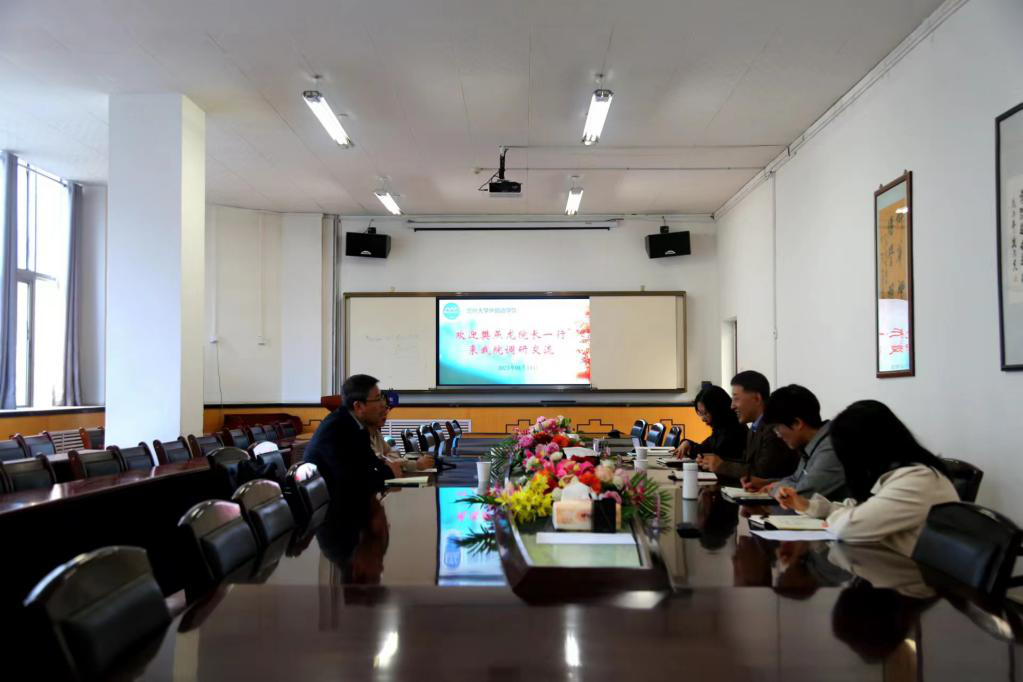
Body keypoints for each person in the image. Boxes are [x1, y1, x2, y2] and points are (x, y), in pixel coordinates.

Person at [775, 400, 959, 556]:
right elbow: (859, 509)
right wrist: (807, 506)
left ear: (866, 448)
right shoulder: (897, 475)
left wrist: (834, 519)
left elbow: (848, 527)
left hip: (917, 579)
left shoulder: (916, 480)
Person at [303, 374, 403, 504]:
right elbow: (353, 482)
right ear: (358, 406)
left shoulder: (357, 425)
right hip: (333, 509)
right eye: (378, 399)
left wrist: (387, 468)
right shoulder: (337, 429)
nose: (383, 405)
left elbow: (371, 462)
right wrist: (389, 472)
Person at [748, 384, 849, 500]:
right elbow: (796, 479)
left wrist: (772, 488)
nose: (778, 434)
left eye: (777, 428)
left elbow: (800, 495)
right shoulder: (811, 445)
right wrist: (767, 483)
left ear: (797, 423)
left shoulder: (831, 447)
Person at [701, 370, 798, 482]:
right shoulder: (754, 428)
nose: (732, 406)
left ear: (757, 398)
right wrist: (714, 462)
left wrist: (722, 466)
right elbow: (745, 464)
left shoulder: (775, 429)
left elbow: (763, 473)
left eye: (736, 398)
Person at [673, 384, 748, 464]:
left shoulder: (733, 430)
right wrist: (687, 443)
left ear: (717, 410)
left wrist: (690, 446)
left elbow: (710, 454)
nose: (702, 419)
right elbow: (704, 448)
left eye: (705, 413)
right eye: (700, 413)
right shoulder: (720, 428)